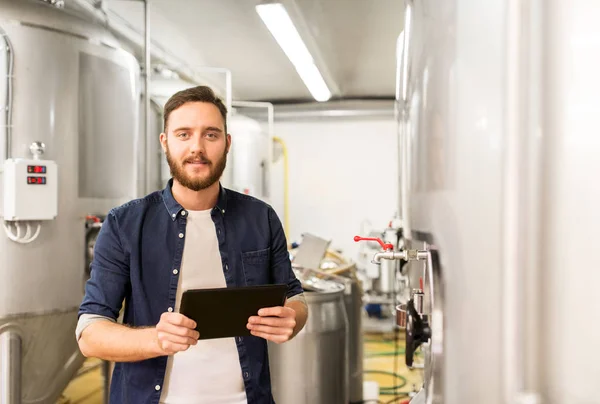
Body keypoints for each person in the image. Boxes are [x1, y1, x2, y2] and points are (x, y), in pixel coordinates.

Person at [76, 86, 308, 404]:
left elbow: (295, 297)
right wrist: (157, 339)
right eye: (184, 134)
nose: (196, 148)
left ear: (227, 143)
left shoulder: (261, 218)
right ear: (165, 142)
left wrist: (292, 318)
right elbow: (90, 333)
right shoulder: (124, 224)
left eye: (210, 135)